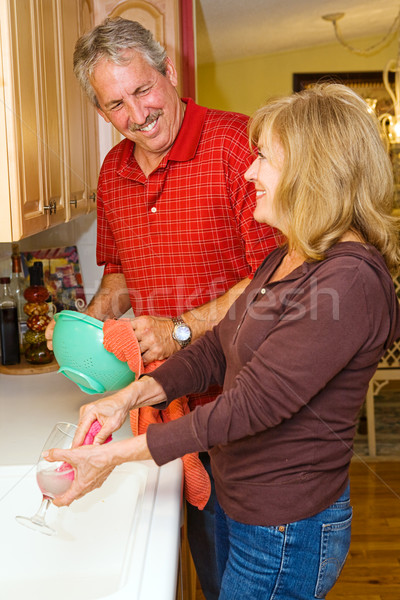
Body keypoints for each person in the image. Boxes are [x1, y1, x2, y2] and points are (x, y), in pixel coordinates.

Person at [46, 82, 400, 599]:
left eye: (263, 160)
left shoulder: (347, 280)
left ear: (313, 173)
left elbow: (250, 407)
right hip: (248, 508)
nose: (250, 171)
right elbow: (216, 348)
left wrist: (113, 457)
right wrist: (129, 397)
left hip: (287, 529)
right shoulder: (290, 255)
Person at [45, 17, 280, 600]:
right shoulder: (113, 171)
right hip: (172, 411)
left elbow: (274, 275)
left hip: (248, 409)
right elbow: (121, 273)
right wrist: (91, 323)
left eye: (143, 90)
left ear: (169, 72)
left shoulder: (236, 145)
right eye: (115, 104)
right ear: (103, 113)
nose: (136, 114)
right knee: (211, 569)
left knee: (253, 575)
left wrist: (181, 328)